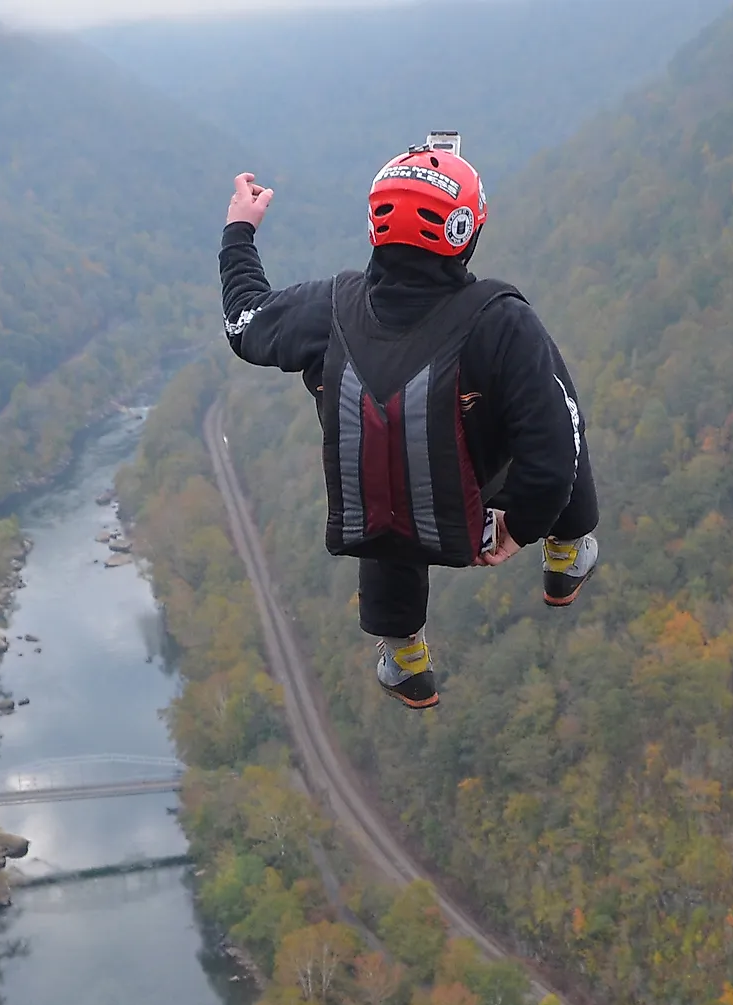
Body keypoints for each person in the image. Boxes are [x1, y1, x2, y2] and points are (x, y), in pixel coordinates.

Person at [220, 131, 600, 709]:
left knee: (385, 468)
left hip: (390, 518)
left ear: (375, 229)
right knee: (558, 402)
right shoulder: (502, 322)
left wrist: (239, 232)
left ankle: (404, 657)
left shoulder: (331, 308)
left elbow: (244, 323)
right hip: (479, 502)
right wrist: (520, 525)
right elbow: (553, 450)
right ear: (467, 232)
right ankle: (567, 553)